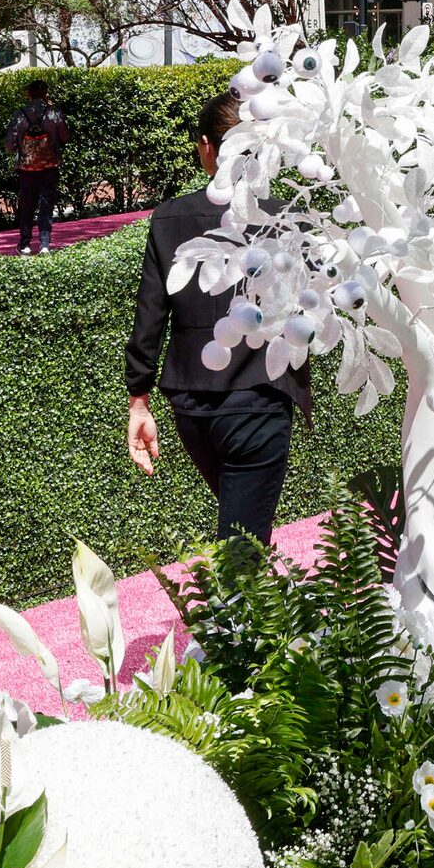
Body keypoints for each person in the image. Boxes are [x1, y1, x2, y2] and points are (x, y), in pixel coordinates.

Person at [125, 90, 309, 541]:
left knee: (242, 530)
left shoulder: (169, 217)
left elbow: (151, 311)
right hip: (258, 400)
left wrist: (138, 400)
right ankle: (238, 613)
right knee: (242, 543)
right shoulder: (287, 219)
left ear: (207, 146)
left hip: (191, 405)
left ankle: (259, 606)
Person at [3, 80, 71, 256]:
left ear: (29, 94)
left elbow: (10, 146)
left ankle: (25, 244)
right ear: (46, 94)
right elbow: (65, 136)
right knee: (46, 205)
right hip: (49, 166)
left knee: (27, 206)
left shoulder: (19, 115)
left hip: (26, 169)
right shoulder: (54, 114)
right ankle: (44, 244)